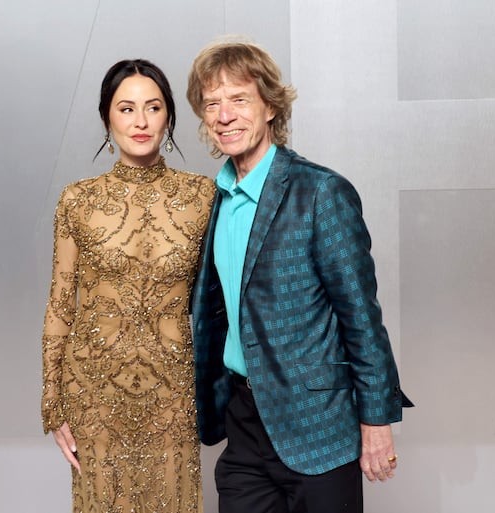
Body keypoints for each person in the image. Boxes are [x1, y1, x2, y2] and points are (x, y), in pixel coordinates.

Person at [186, 40, 412, 513]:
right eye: (212, 104)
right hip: (244, 423)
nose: (225, 115)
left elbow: (361, 317)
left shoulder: (320, 192)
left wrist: (375, 422)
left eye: (239, 99)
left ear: (269, 105)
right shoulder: (216, 200)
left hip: (319, 427)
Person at [41, 59, 215, 513]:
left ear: (170, 116)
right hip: (93, 391)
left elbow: (223, 303)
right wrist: (54, 399)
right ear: (106, 117)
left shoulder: (204, 197)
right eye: (126, 108)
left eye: (153, 108)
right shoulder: (77, 200)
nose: (140, 121)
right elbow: (61, 305)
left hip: (174, 392)